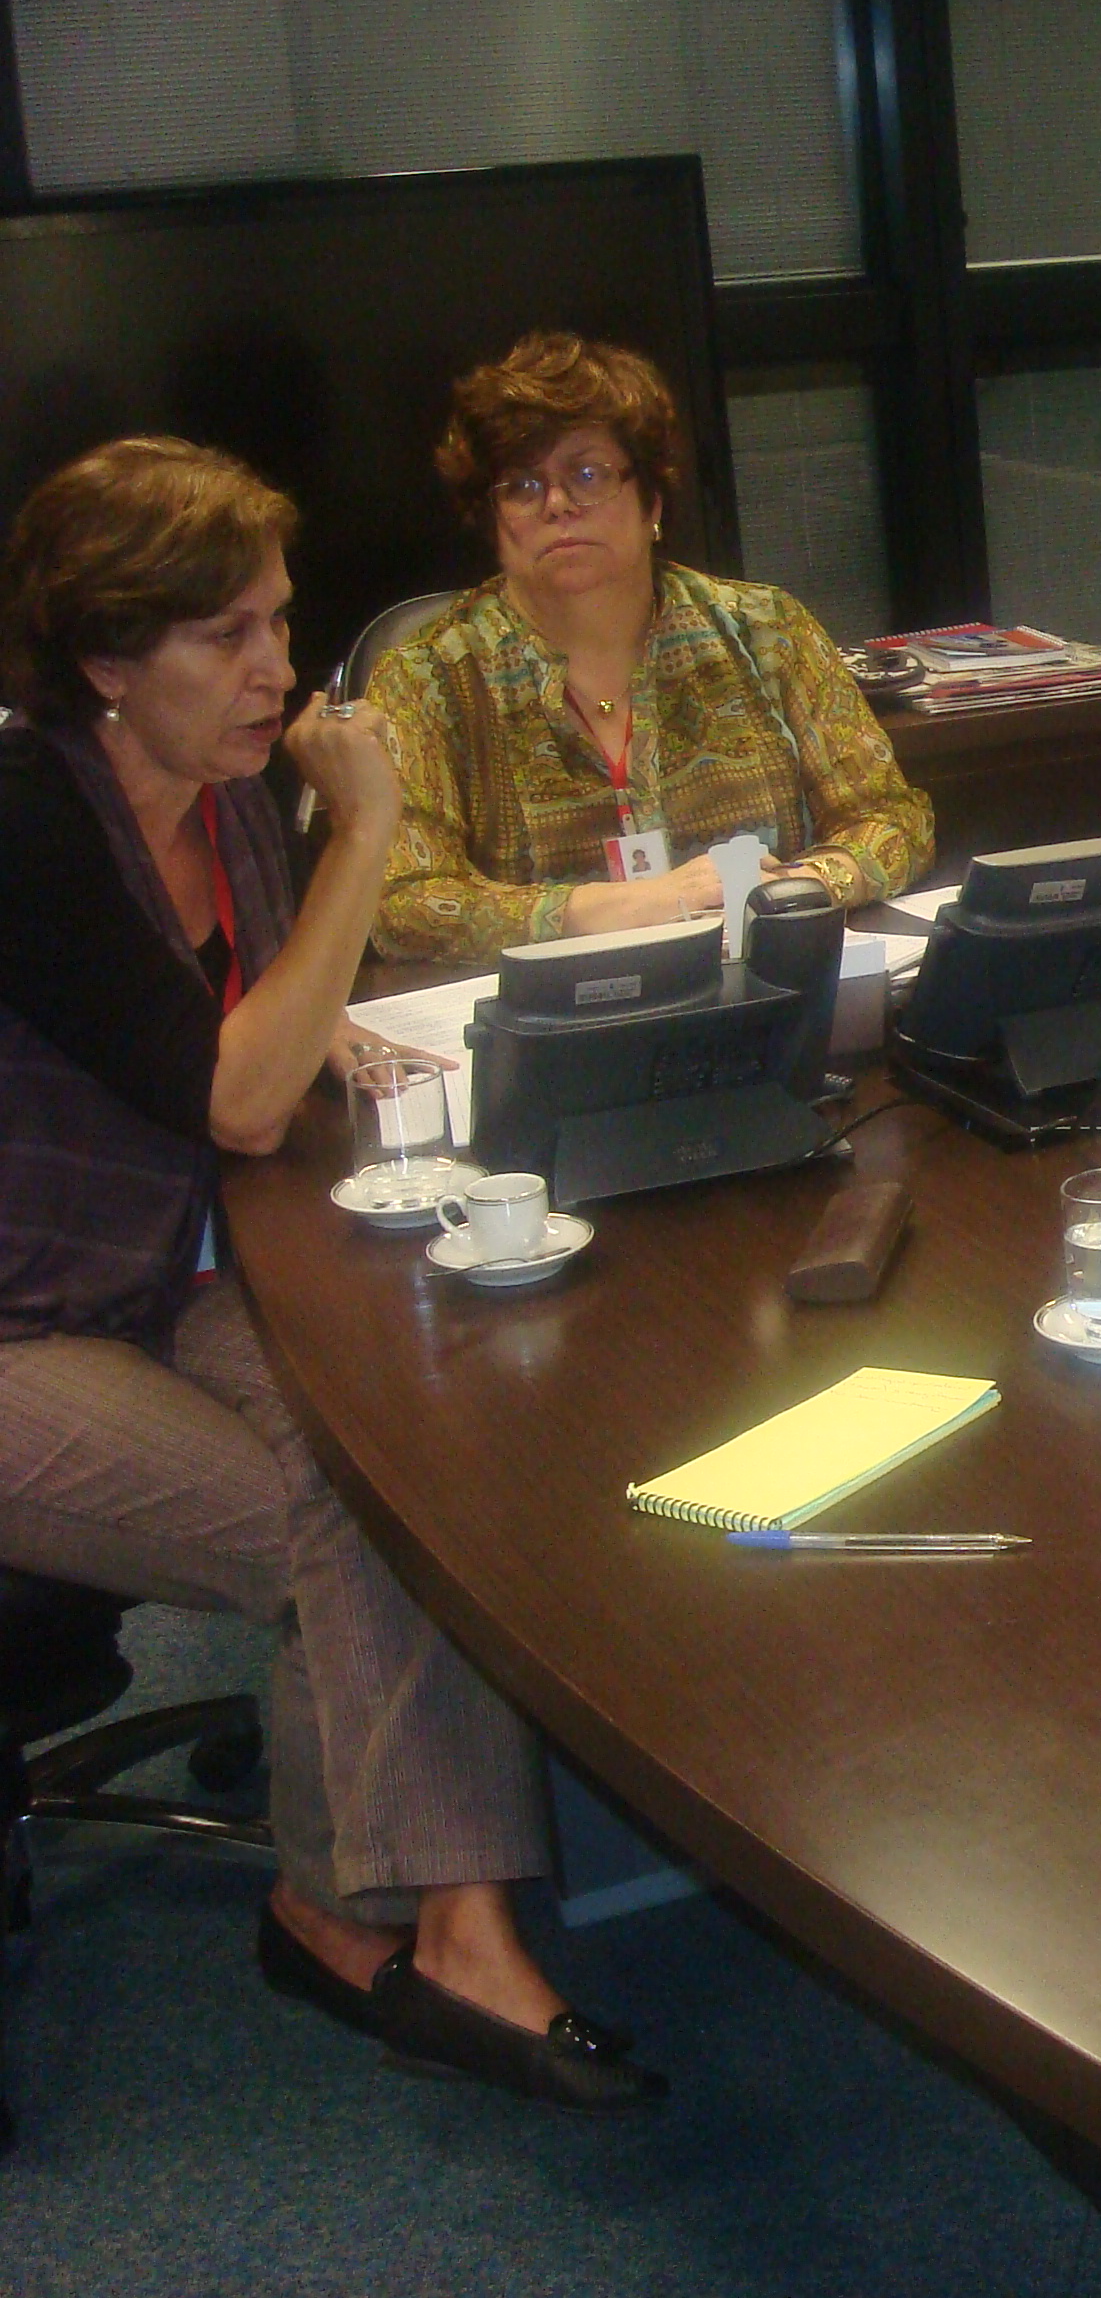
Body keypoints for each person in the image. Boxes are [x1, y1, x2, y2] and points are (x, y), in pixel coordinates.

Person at [0, 437, 661, 2113]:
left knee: (392, 1461)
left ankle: (417, 1910)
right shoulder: (24, 818)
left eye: (281, 625)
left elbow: (248, 1032)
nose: (279, 671)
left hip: (167, 1265)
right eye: (224, 635)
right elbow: (225, 1082)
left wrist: (336, 1025)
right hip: (21, 1314)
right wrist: (363, 825)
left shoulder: (226, 799)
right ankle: (376, 1911)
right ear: (102, 656)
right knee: (331, 1529)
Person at [367, 330, 932, 959]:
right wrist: (636, 905)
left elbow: (894, 821)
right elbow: (400, 904)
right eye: (522, 486)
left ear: (652, 500)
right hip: (561, 1024)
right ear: (491, 520)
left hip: (760, 988)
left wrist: (792, 890)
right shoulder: (426, 680)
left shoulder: (767, 631)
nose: (557, 504)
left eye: (588, 474)